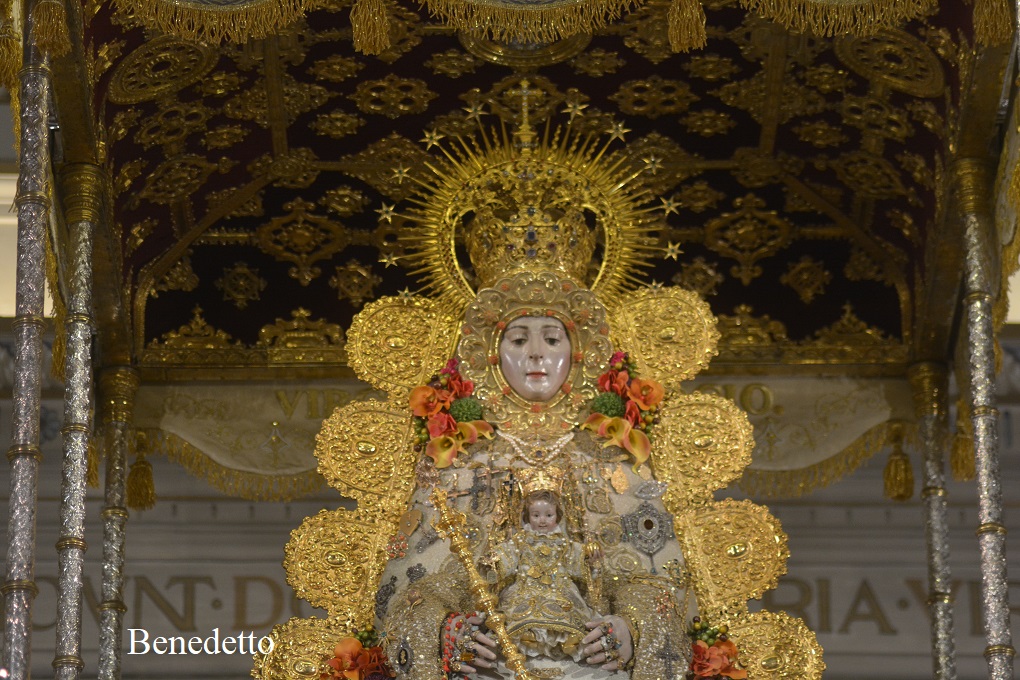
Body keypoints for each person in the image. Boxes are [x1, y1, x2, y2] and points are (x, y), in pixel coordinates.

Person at [381, 281, 690, 680]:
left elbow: (651, 578)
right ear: (491, 356)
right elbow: (416, 586)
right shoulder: (455, 458)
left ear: (578, 353)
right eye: (518, 338)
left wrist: (633, 628)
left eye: (551, 338)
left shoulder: (617, 453)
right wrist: (443, 630)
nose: (536, 353)